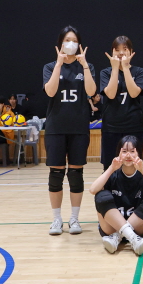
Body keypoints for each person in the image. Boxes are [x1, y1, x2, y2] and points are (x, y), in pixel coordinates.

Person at [43, 25, 96, 236]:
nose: (71, 44)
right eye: (67, 40)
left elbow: (92, 91)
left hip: (79, 127)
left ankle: (74, 218)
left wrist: (84, 66)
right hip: (56, 127)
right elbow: (50, 91)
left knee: (75, 174)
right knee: (56, 174)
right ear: (60, 43)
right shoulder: (50, 66)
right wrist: (58, 64)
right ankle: (57, 219)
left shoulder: (86, 66)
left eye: (74, 40)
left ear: (79, 44)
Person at [89, 135, 143, 256]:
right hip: (112, 227)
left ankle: (118, 236)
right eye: (124, 151)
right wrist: (111, 168)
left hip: (138, 228)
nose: (128, 155)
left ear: (139, 153)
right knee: (100, 195)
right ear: (118, 153)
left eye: (132, 151)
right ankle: (130, 237)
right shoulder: (113, 173)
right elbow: (93, 190)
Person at [100, 36, 143, 171]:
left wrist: (125, 68)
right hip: (111, 127)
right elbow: (110, 94)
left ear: (131, 51)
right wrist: (115, 69)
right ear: (112, 52)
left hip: (133, 126)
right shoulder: (105, 72)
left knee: (134, 165)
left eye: (125, 49)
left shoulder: (139, 72)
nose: (121, 53)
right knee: (110, 166)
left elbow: (134, 93)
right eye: (117, 50)